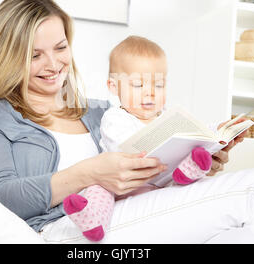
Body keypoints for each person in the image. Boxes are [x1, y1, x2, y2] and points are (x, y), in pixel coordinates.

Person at [0, 0, 254, 244]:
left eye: (60, 48)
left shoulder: (104, 110)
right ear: (9, 54)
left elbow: (154, 158)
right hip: (69, 228)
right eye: (35, 54)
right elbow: (2, 195)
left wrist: (203, 155)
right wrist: (89, 173)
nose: (54, 64)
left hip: (137, 211)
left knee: (250, 237)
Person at [63, 36, 212, 241]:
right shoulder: (115, 118)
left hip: (162, 181)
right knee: (98, 189)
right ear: (114, 87)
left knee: (191, 173)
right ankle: (93, 219)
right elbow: (124, 148)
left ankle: (187, 172)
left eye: (159, 85)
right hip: (123, 185)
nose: (150, 93)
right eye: (138, 85)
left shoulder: (168, 117)